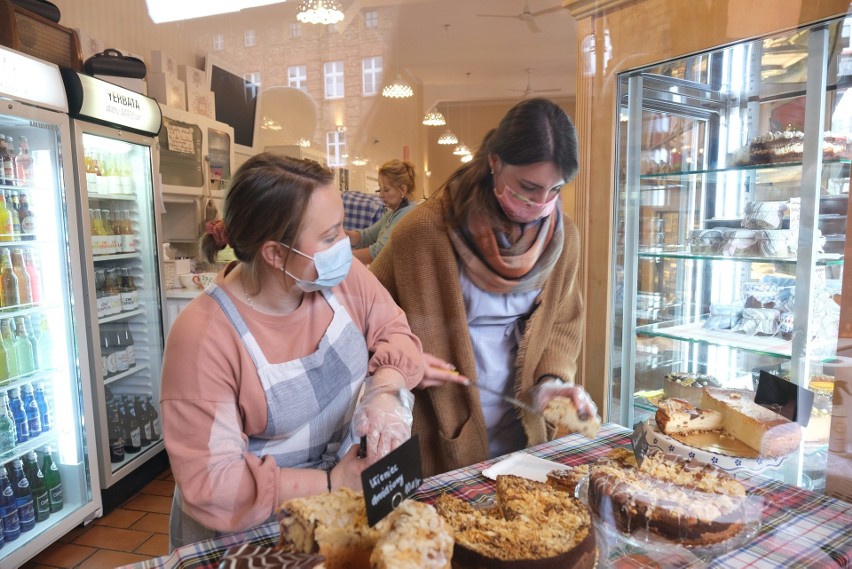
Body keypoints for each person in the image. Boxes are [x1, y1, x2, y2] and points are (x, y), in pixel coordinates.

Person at [161, 153, 423, 550]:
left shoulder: (346, 279)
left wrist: (386, 392)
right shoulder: (202, 337)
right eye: (331, 235)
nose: (344, 244)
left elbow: (394, 330)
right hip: (250, 531)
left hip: (338, 511)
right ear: (275, 253)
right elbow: (213, 482)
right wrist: (332, 482)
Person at [371, 98, 596, 477]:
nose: (540, 204)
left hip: (522, 423)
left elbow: (562, 323)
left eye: (554, 189)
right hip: (440, 429)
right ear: (495, 162)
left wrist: (551, 384)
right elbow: (367, 318)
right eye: (527, 186)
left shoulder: (563, 237)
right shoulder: (423, 232)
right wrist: (403, 362)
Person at [345, 159, 417, 264]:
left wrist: (342, 259)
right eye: (380, 189)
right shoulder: (392, 213)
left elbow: (378, 252)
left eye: (386, 190)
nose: (380, 195)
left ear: (403, 189)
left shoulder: (406, 215)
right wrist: (342, 234)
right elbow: (366, 236)